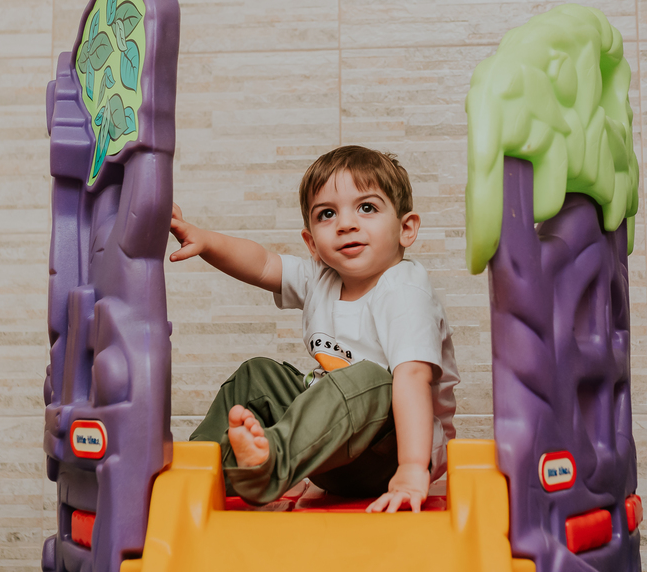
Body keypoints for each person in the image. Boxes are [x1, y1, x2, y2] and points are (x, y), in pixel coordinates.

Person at [171, 146, 458, 513]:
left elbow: (414, 376)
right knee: (257, 375)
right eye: (327, 214)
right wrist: (205, 240)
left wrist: (412, 470)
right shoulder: (320, 277)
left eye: (367, 208)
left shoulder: (405, 291)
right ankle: (203, 468)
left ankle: (268, 465)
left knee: (371, 378)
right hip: (324, 453)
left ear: (406, 228)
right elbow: (262, 265)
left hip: (388, 456)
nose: (346, 224)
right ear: (312, 244)